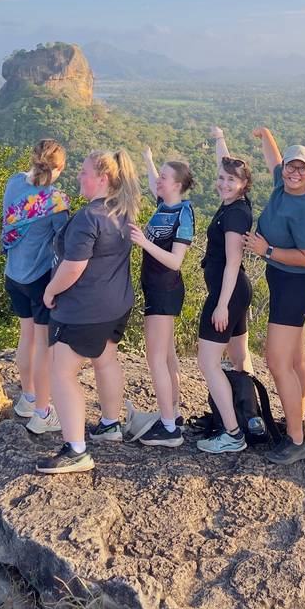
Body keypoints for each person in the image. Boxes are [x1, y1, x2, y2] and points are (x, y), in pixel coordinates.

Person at [35, 149, 140, 475]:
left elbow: (73, 267)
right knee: (105, 360)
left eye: (84, 172)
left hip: (84, 311)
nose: (79, 176)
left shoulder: (88, 217)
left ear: (102, 179)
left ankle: (76, 450)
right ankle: (109, 424)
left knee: (61, 372)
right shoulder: (122, 210)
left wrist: (50, 291)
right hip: (116, 305)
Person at [244, 127, 305, 465]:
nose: (294, 172)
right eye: (291, 166)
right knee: (295, 361)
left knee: (277, 363)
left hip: (294, 287)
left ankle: (296, 439)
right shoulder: (282, 184)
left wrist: (267, 250)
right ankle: (298, 419)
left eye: (301, 168)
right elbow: (273, 161)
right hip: (282, 283)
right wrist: (266, 134)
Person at [1, 139, 69, 436]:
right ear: (59, 168)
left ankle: (28, 397)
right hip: (39, 280)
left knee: (26, 335)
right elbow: (65, 245)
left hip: (13, 274)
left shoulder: (14, 183)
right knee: (43, 345)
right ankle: (42, 412)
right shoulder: (57, 202)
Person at [128, 148, 194, 448]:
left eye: (164, 178)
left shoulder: (183, 214)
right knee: (167, 356)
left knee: (155, 358)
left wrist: (143, 242)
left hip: (164, 289)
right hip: (156, 287)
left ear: (177, 185)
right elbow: (154, 180)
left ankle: (168, 428)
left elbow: (176, 261)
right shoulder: (165, 204)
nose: (159, 181)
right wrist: (148, 159)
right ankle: (174, 414)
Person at [196, 126, 254, 454]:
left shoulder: (236, 215)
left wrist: (221, 305)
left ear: (244, 184)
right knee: (239, 359)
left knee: (208, 362)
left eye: (231, 180)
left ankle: (232, 433)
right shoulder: (234, 202)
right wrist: (220, 139)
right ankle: (250, 418)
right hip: (235, 292)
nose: (224, 184)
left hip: (227, 293)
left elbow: (233, 262)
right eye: (221, 178)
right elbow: (227, 163)